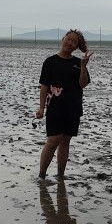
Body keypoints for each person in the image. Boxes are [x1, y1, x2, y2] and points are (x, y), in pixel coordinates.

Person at [36, 29, 93, 178]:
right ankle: (42, 175)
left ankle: (60, 175)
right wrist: (41, 108)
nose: (70, 43)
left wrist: (83, 66)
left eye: (74, 42)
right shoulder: (50, 62)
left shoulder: (78, 63)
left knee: (65, 141)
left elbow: (83, 84)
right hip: (55, 107)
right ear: (63, 39)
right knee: (52, 141)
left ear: (76, 47)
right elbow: (44, 87)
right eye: (68, 39)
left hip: (73, 108)